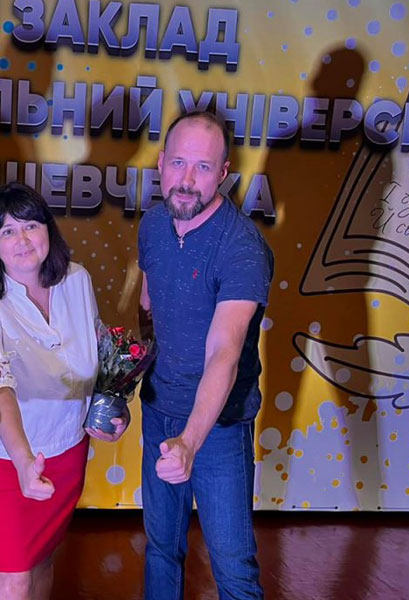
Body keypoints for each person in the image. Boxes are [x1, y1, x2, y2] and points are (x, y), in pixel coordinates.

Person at [0, 182, 128, 600]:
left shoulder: (77, 280)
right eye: (7, 231)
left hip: (67, 449)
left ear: (48, 229)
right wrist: (23, 461)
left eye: (31, 225)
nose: (22, 239)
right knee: (13, 576)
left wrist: (113, 409)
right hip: (1, 458)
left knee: (42, 559)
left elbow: (97, 352)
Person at [137, 110, 274, 600]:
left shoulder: (242, 248)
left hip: (218, 427)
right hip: (159, 410)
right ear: (160, 163)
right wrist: (120, 383)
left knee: (233, 569)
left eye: (203, 167)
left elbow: (223, 352)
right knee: (160, 549)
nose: (187, 180)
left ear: (223, 173)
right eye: (178, 163)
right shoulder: (153, 225)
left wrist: (190, 442)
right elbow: (148, 304)